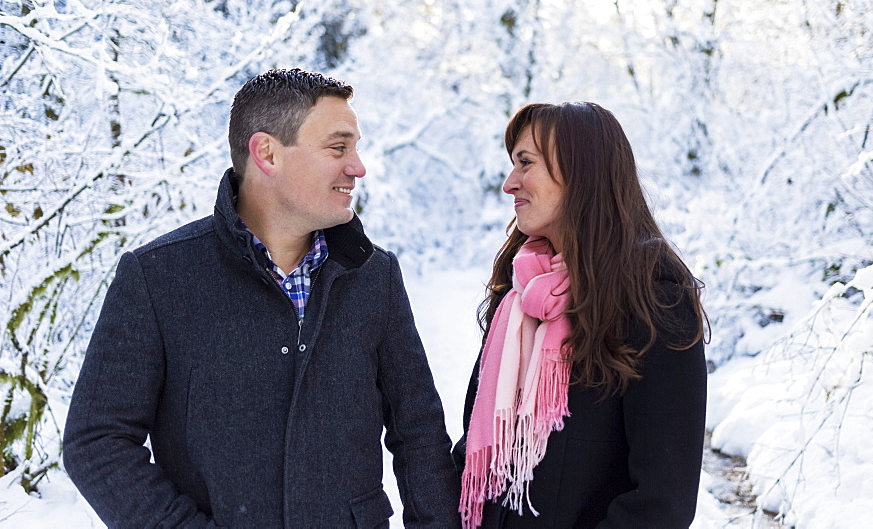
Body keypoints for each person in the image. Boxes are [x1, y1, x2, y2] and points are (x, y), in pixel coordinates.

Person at [63, 68, 460, 528]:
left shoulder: (375, 276)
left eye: (356, 147)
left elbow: (420, 435)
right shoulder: (158, 277)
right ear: (267, 153)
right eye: (338, 147)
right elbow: (96, 441)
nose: (358, 166)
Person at [454, 102, 708, 528]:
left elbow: (661, 503)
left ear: (580, 172)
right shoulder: (519, 294)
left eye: (525, 163)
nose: (509, 183)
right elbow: (479, 447)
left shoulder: (654, 299)